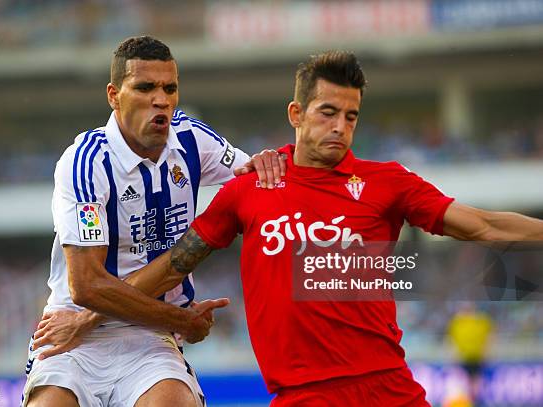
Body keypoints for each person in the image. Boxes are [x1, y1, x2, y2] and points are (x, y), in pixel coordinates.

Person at [34, 51, 543, 406]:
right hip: (303, 395)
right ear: (296, 114)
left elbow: (479, 224)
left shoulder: (387, 182)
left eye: (351, 116)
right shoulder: (249, 191)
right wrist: (88, 318)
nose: (340, 127)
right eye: (327, 113)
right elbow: (171, 268)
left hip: (390, 388)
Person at [23, 35, 285, 407]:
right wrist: (182, 320)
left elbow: (255, 177)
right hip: (73, 335)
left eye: (170, 88)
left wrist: (269, 162)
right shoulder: (86, 162)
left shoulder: (192, 139)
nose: (161, 99)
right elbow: (87, 285)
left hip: (150, 337)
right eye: (145, 87)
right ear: (114, 95)